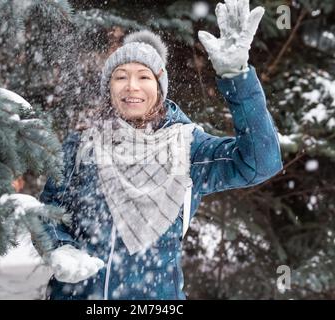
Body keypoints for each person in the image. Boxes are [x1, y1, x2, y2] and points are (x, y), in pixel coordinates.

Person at [35, 0, 283, 300]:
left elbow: (259, 163)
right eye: (120, 76)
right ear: (108, 88)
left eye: (143, 76)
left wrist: (237, 77)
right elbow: (48, 210)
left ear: (159, 86)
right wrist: (59, 247)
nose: (132, 87)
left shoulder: (189, 147)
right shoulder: (81, 145)